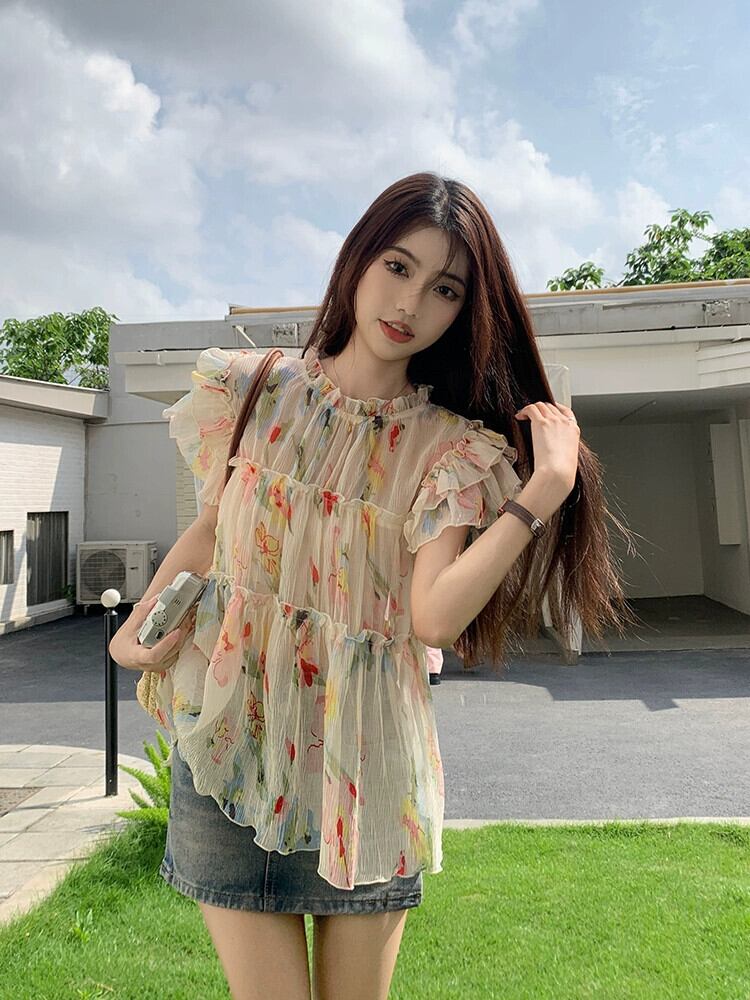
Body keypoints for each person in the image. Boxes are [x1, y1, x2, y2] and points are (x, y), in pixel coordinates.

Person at [109, 171, 635, 1000]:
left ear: (464, 311)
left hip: (365, 769)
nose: (410, 303)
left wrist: (542, 493)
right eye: (398, 266)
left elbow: (433, 618)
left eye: (445, 289)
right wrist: (136, 624)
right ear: (358, 260)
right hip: (231, 746)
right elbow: (213, 531)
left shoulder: (448, 449)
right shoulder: (254, 389)